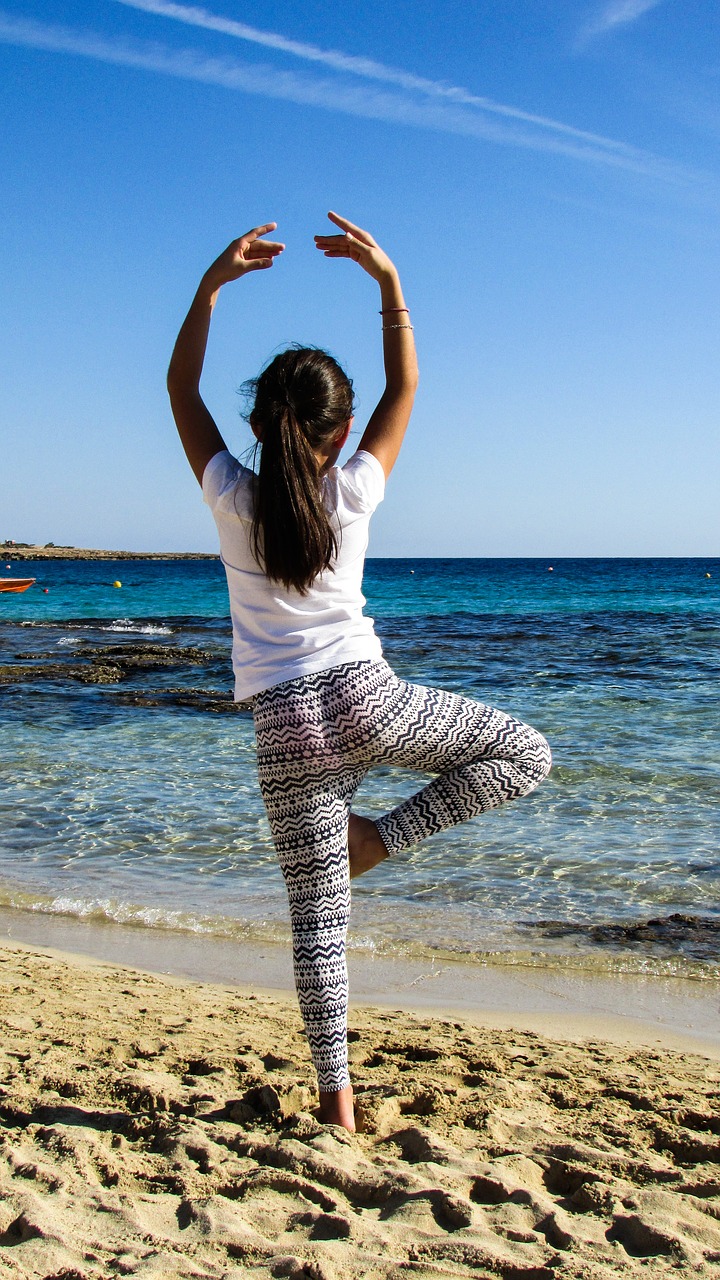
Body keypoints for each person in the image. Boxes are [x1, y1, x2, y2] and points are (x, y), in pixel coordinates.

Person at [167, 213, 552, 1132]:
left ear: (260, 423)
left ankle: (337, 1104)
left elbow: (179, 384)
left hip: (283, 726)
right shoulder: (354, 491)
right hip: (364, 698)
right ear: (338, 436)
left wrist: (210, 286)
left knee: (318, 922)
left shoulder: (230, 495)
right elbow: (406, 384)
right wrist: (388, 282)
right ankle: (377, 844)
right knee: (523, 754)